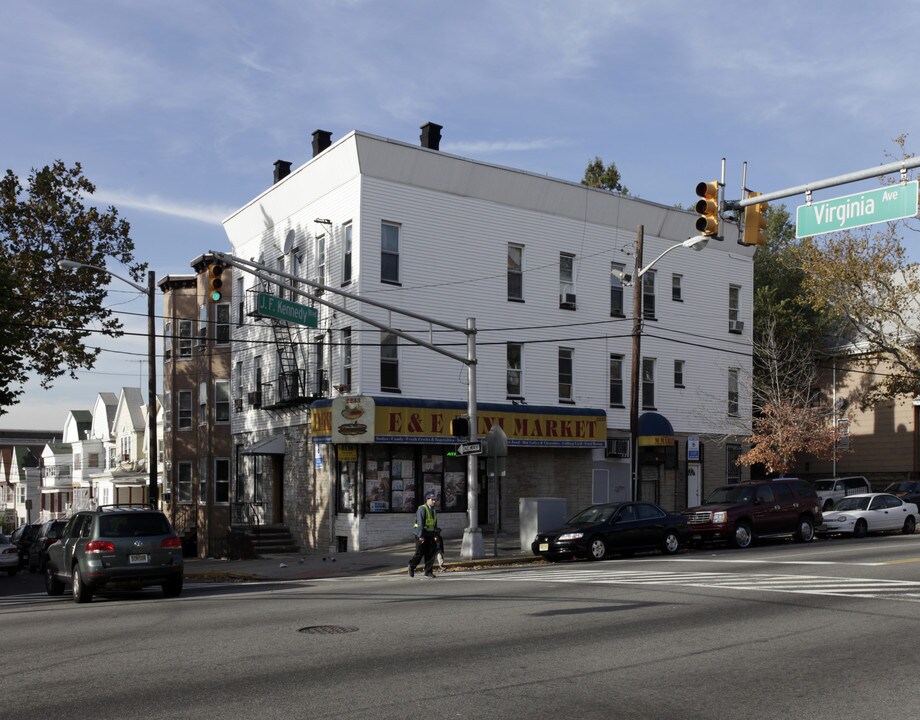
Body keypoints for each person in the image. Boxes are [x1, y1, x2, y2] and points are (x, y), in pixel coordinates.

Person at [408, 491, 439, 578]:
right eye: (432, 500)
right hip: (421, 535)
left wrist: (436, 535)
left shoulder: (433, 510)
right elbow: (420, 523)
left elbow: (434, 524)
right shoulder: (422, 509)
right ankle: (412, 566)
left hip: (430, 535)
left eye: (435, 500)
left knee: (430, 554)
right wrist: (421, 536)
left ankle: (428, 571)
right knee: (419, 553)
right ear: (427, 499)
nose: (434, 501)